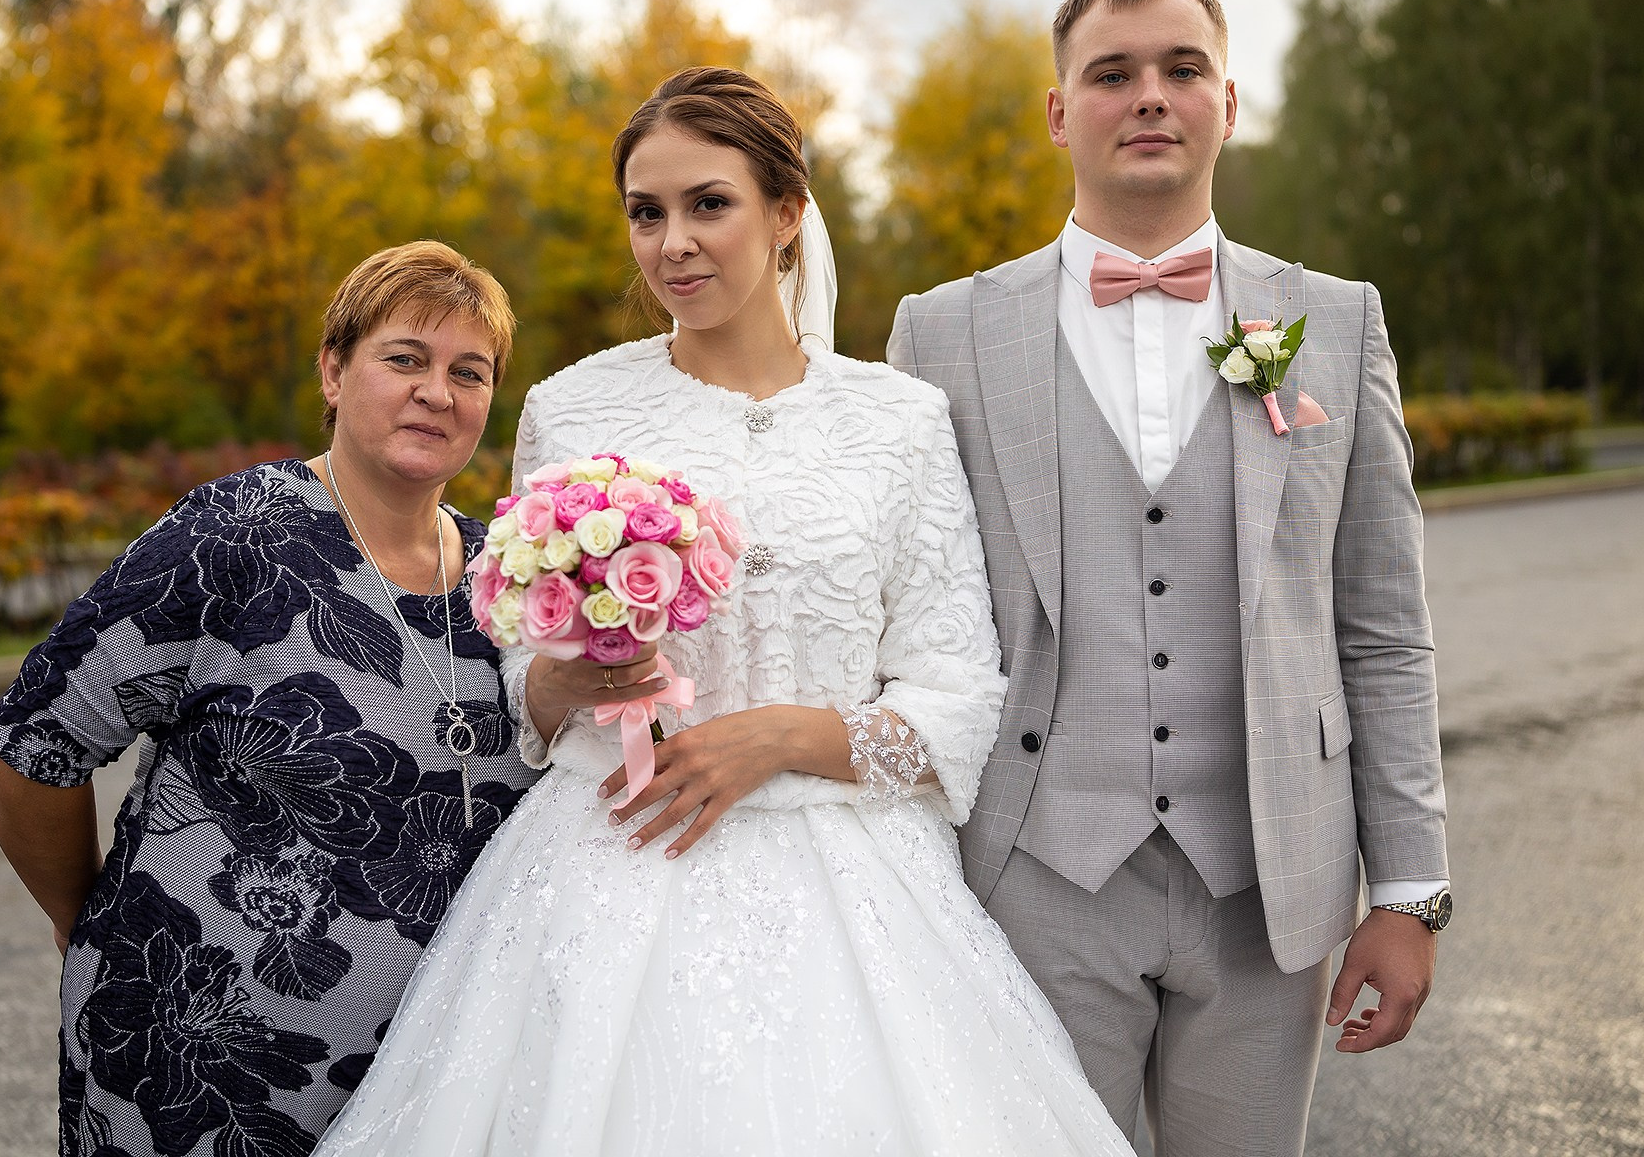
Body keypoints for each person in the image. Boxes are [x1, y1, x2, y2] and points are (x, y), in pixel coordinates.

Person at [312, 67, 1134, 1155]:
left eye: (709, 204)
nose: (673, 244)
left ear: (787, 213)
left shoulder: (901, 420)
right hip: (614, 856)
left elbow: (958, 691)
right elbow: (518, 673)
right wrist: (571, 680)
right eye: (646, 212)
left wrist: (786, 737)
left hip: (853, 886)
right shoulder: (572, 407)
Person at [888, 0, 1451, 1156]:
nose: (1149, 93)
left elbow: (1384, 629)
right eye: (1113, 73)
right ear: (1059, 113)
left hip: (1271, 884)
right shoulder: (940, 333)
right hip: (1028, 878)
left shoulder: (1335, 321)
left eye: (1182, 67)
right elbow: (904, 616)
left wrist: (1411, 888)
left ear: (1227, 103)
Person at [0, 241, 542, 1157]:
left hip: (429, 1086)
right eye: (405, 358)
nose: (436, 393)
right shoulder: (235, 535)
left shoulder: (510, 576)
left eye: (468, 373)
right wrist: (81, 916)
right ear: (333, 371)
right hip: (192, 1065)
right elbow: (34, 743)